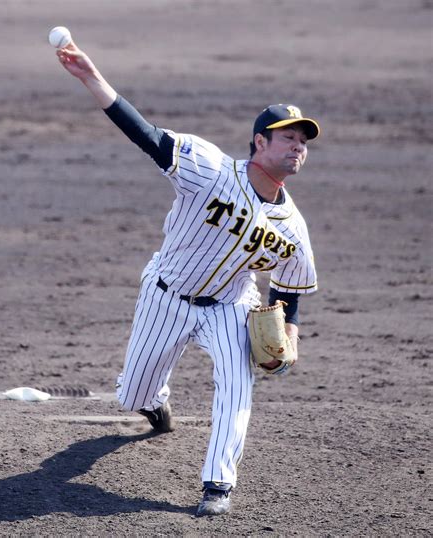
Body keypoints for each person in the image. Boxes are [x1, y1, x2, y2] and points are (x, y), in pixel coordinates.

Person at [55, 39, 319, 517]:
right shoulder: (209, 170)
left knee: (237, 386)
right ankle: (155, 404)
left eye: (303, 142)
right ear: (260, 142)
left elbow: (288, 285)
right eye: (288, 138)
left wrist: (291, 333)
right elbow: (145, 135)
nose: (298, 148)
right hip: (166, 295)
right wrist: (92, 78)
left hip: (231, 306)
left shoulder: (293, 228)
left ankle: (218, 485)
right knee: (131, 393)